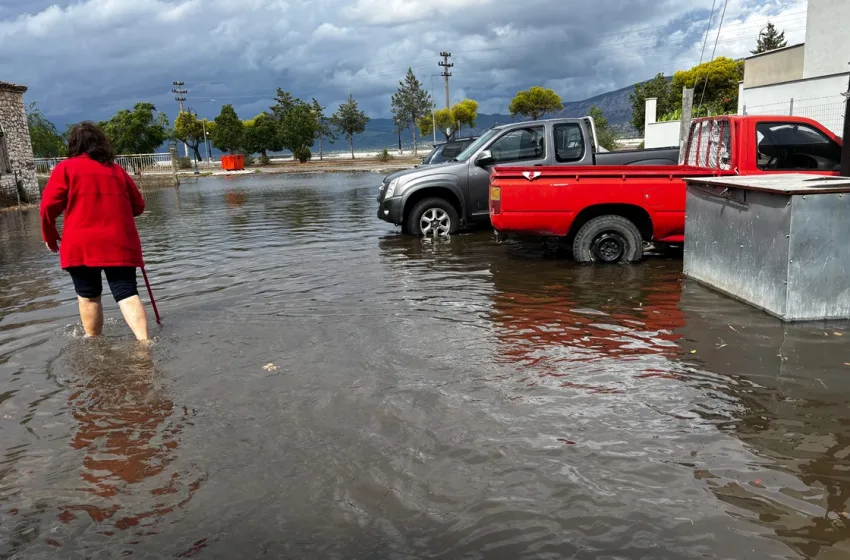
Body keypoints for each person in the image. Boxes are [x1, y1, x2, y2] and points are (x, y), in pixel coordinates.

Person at [40, 122, 150, 341]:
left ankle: (94, 343)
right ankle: (145, 343)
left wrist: (50, 236)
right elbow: (138, 206)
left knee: (88, 296)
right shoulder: (116, 170)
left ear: (74, 145)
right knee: (127, 293)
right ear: (101, 144)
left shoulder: (65, 168)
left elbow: (47, 208)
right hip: (119, 243)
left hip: (80, 244)